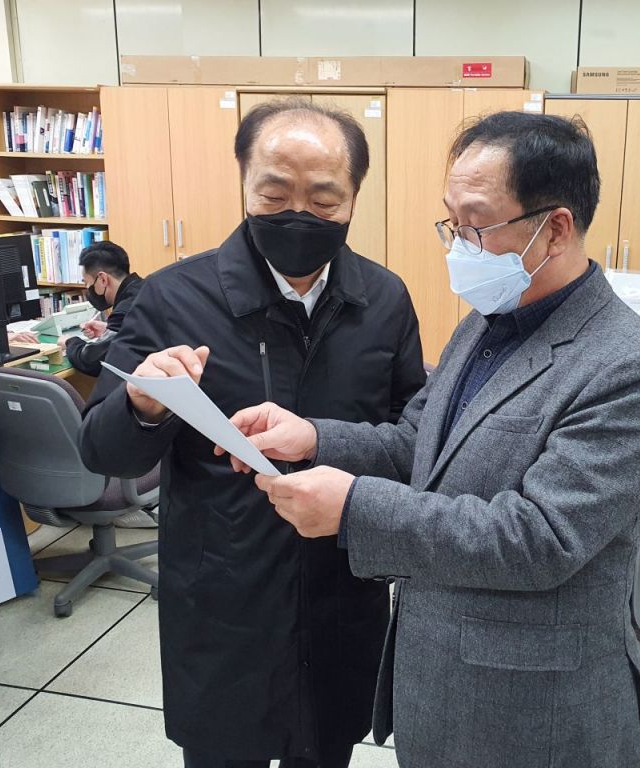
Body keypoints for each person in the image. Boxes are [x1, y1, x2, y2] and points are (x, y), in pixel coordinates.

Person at [221, 112, 640, 768]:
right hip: (439, 678)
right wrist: (314, 438)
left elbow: (540, 539)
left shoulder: (628, 367)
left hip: (535, 709)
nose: (458, 245)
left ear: (555, 229)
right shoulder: (486, 323)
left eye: (476, 225)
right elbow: (421, 443)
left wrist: (354, 509)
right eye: (452, 222)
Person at [78, 99, 425, 768]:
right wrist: (142, 404)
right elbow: (102, 451)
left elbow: (414, 436)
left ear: (355, 196)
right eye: (274, 193)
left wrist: (331, 449)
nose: (298, 212)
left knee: (326, 746)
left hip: (341, 589)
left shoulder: (383, 300)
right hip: (223, 595)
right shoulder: (174, 298)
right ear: (243, 184)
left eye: (323, 198)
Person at [58, 241, 144, 377]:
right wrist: (108, 330)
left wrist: (70, 342)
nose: (87, 288)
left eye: (87, 283)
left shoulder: (124, 310)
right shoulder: (144, 289)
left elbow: (94, 361)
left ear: (103, 279)